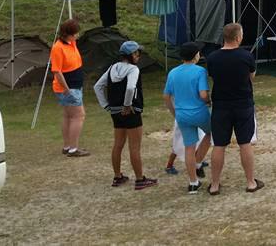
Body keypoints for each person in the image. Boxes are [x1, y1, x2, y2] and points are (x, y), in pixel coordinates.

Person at [206, 23, 263, 195]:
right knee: (245, 143)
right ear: (238, 37)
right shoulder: (246, 56)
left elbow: (212, 76)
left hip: (221, 105)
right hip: (243, 104)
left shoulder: (213, 57)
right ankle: (250, 182)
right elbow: (251, 76)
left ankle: (215, 184)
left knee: (219, 144)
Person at [93, 41, 158, 190]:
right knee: (134, 147)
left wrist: (106, 105)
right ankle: (140, 179)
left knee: (118, 144)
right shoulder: (133, 69)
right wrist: (127, 105)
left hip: (115, 111)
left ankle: (117, 176)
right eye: (136, 53)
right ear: (131, 55)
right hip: (131, 111)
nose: (138, 56)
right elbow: (130, 88)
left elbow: (97, 87)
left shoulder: (112, 68)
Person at [163, 42, 213, 193]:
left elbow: (166, 96)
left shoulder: (173, 72)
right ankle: (198, 163)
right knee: (211, 134)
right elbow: (203, 94)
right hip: (199, 112)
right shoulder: (199, 71)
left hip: (182, 114)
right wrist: (209, 101)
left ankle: (193, 182)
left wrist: (174, 112)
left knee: (189, 147)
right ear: (195, 55)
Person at [51, 18, 89, 157]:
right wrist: (66, 89)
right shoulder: (58, 48)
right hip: (68, 87)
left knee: (68, 116)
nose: (77, 36)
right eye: (75, 34)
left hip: (75, 85)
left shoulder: (71, 43)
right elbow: (57, 71)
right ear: (68, 34)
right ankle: (73, 148)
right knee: (79, 115)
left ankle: (67, 146)